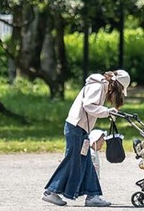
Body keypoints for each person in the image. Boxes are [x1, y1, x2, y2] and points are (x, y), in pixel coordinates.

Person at [41, 69, 131, 207]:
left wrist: (107, 112)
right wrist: (107, 111)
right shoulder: (98, 86)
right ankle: (50, 192)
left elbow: (91, 107)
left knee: (86, 161)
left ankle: (92, 195)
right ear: (117, 86)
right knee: (72, 160)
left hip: (79, 128)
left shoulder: (101, 85)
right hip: (76, 127)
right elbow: (88, 105)